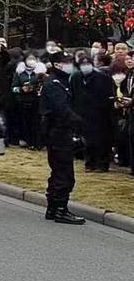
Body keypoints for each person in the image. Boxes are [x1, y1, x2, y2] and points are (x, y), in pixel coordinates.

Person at [40, 52, 86, 225]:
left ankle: (53, 208)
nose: (70, 65)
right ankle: (60, 209)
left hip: (60, 132)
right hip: (58, 132)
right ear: (57, 64)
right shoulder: (54, 83)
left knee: (59, 171)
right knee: (64, 173)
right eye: (66, 62)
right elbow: (62, 110)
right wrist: (81, 122)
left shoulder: (64, 82)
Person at [72, 50, 116, 172]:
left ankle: (102, 164)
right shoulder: (76, 78)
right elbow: (74, 94)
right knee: (87, 141)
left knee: (101, 140)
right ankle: (89, 163)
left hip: (100, 114)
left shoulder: (103, 78)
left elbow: (109, 96)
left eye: (88, 63)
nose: (85, 66)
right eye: (83, 64)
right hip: (83, 113)